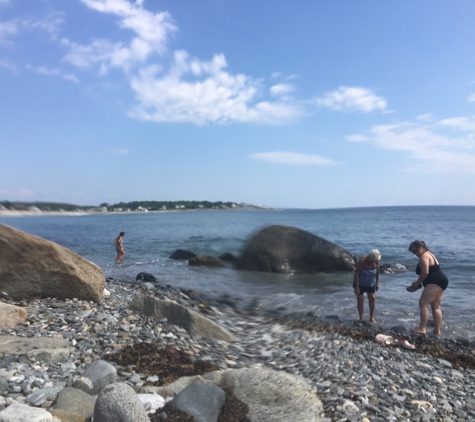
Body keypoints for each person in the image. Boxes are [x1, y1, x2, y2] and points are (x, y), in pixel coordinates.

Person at [408, 240, 448, 336]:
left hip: (434, 282)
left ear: (421, 248)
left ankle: (422, 328)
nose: (415, 254)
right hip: (442, 281)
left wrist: (417, 283)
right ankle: (437, 331)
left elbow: (425, 272)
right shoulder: (430, 254)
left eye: (415, 251)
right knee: (436, 307)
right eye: (413, 253)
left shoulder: (424, 256)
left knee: (423, 303)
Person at [353, 249, 381, 322]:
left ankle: (371, 317)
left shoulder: (376, 262)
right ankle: (361, 317)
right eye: (373, 260)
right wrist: (357, 287)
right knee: (360, 300)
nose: (374, 262)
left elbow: (377, 273)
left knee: (372, 298)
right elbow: (356, 273)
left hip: (370, 283)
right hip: (360, 284)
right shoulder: (362, 261)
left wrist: (377, 283)